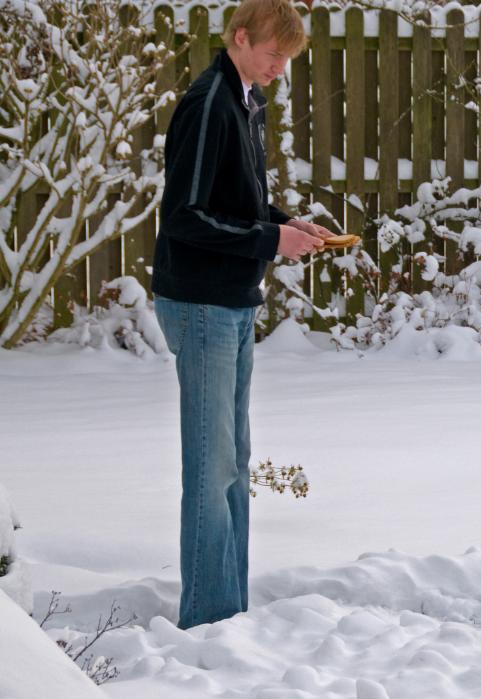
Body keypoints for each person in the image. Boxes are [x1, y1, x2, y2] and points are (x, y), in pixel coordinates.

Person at [152, 0, 332, 629]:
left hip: (229, 302)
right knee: (211, 468)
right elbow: (183, 216)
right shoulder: (209, 105)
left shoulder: (246, 98)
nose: (281, 68)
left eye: (288, 59)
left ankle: (228, 617)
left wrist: (284, 224)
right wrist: (267, 242)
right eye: (273, 55)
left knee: (234, 464)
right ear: (239, 37)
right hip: (200, 304)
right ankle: (205, 623)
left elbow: (237, 201)